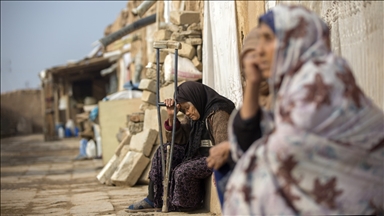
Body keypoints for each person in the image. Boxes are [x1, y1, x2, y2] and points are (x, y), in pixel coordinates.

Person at [224, 5, 384, 215]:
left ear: (294, 40)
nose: (260, 51)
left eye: (268, 39)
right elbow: (249, 137)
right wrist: (253, 83)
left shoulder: (320, 79)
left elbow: (283, 149)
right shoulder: (291, 85)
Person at [125, 81, 235, 213]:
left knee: (183, 171)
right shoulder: (197, 115)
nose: (187, 113)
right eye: (183, 110)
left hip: (213, 158)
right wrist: (172, 117)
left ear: (196, 98)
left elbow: (224, 147)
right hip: (197, 155)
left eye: (187, 108)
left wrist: (221, 170)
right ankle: (153, 199)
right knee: (164, 151)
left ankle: (184, 204)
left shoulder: (218, 113)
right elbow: (180, 140)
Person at [206, 25, 270, 208]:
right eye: (247, 70)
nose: (253, 72)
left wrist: (231, 148)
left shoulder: (303, 92)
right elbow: (246, 131)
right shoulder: (263, 96)